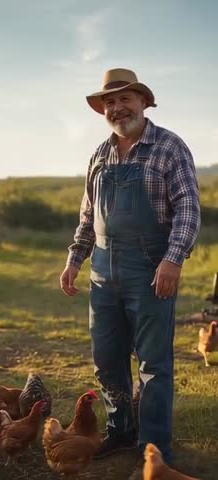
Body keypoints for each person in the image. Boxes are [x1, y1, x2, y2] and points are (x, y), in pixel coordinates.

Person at [60, 68, 200, 463]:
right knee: (107, 357)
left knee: (154, 364)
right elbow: (88, 216)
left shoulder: (169, 147)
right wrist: (75, 259)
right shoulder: (100, 155)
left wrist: (173, 260)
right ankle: (121, 430)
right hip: (103, 271)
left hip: (151, 270)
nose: (117, 108)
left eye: (124, 99)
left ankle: (154, 449)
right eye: (109, 102)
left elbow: (188, 208)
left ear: (143, 102)